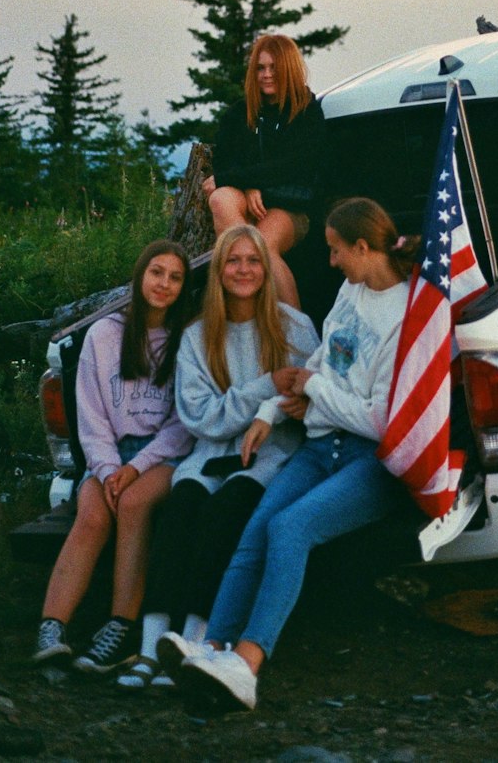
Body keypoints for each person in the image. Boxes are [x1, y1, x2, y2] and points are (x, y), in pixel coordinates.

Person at [158, 197, 417, 711]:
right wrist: (271, 411)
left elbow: (381, 420)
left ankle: (248, 665)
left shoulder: (408, 313)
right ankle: (211, 649)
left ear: (363, 248)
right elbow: (320, 362)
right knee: (257, 528)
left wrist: (314, 391)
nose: (330, 262)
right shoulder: (351, 289)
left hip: (370, 459)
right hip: (321, 446)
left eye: (335, 250)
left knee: (291, 528)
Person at [117, 224, 319, 689]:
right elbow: (203, 419)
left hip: (270, 457)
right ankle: (150, 647)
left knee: (224, 515)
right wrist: (267, 385)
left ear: (265, 269)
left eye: (252, 260)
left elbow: (303, 403)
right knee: (181, 511)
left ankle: (196, 642)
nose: (243, 269)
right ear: (219, 270)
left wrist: (269, 404)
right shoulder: (197, 336)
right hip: (208, 456)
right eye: (233, 260)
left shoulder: (294, 328)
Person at [32, 241, 193, 673]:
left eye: (176, 277)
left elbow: (182, 424)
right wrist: (107, 470)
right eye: (156, 272)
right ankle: (52, 627)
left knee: (135, 505)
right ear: (140, 276)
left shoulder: (186, 339)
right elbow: (92, 416)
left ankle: (120, 628)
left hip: (162, 457)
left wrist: (135, 468)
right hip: (109, 453)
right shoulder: (104, 335)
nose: (164, 284)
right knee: (93, 515)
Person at [203, 34, 325, 309]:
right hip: (250, 200)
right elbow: (223, 160)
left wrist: (247, 182)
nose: (267, 75)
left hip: (289, 207)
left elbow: (294, 167)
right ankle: (247, 306)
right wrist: (248, 188)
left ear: (289, 69)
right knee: (220, 199)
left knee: (263, 248)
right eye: (260, 68)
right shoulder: (240, 113)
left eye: (274, 68)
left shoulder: (307, 113)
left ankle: (298, 333)